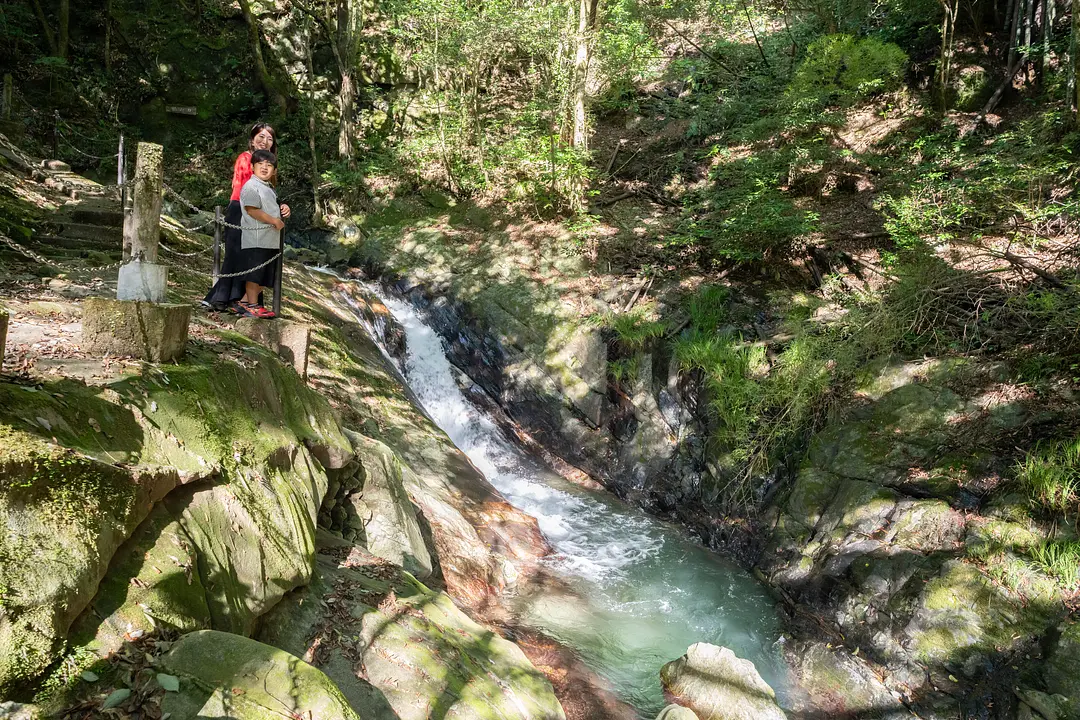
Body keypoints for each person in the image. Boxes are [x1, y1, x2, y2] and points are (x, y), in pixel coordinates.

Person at [200, 122, 290, 311]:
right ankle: (222, 298)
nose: (265, 141)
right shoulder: (246, 159)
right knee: (237, 255)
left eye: (270, 138)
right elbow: (247, 188)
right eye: (261, 137)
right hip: (241, 209)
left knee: (253, 257)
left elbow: (268, 191)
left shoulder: (268, 163)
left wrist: (279, 207)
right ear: (252, 139)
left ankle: (242, 300)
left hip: (260, 212)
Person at [235, 149, 284, 318]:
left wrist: (283, 210)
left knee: (264, 275)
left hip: (269, 239)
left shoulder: (268, 188)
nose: (264, 167)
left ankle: (243, 303)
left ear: (274, 171)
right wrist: (274, 220)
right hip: (256, 238)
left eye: (269, 165)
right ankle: (254, 305)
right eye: (260, 164)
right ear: (252, 167)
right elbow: (252, 210)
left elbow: (270, 207)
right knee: (255, 274)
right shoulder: (251, 186)